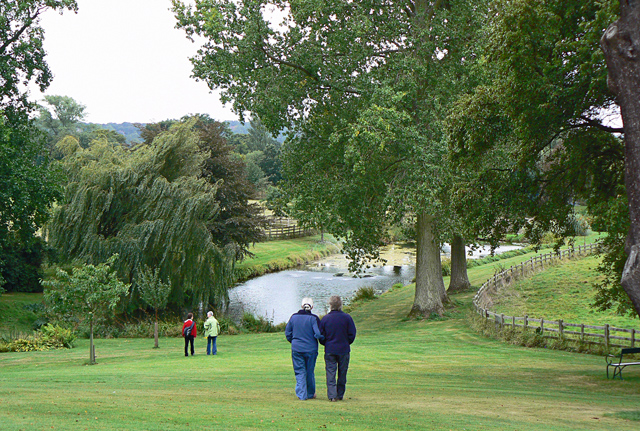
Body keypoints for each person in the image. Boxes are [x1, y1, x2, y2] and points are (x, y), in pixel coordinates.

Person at [285, 297, 324, 401]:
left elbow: (288, 333)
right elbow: (318, 333)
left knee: (300, 371)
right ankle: (310, 393)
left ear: (302, 306)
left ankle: (302, 394)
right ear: (312, 307)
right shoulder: (314, 318)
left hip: (297, 349)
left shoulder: (293, 317)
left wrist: (293, 342)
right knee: (309, 371)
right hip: (311, 349)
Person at [319, 295, 356, 402]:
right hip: (343, 349)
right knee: (342, 372)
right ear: (341, 305)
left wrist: (325, 343)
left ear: (330, 305)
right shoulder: (347, 318)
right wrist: (346, 342)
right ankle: (340, 394)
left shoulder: (325, 319)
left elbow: (321, 336)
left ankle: (332, 395)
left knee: (330, 372)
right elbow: (352, 334)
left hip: (330, 349)